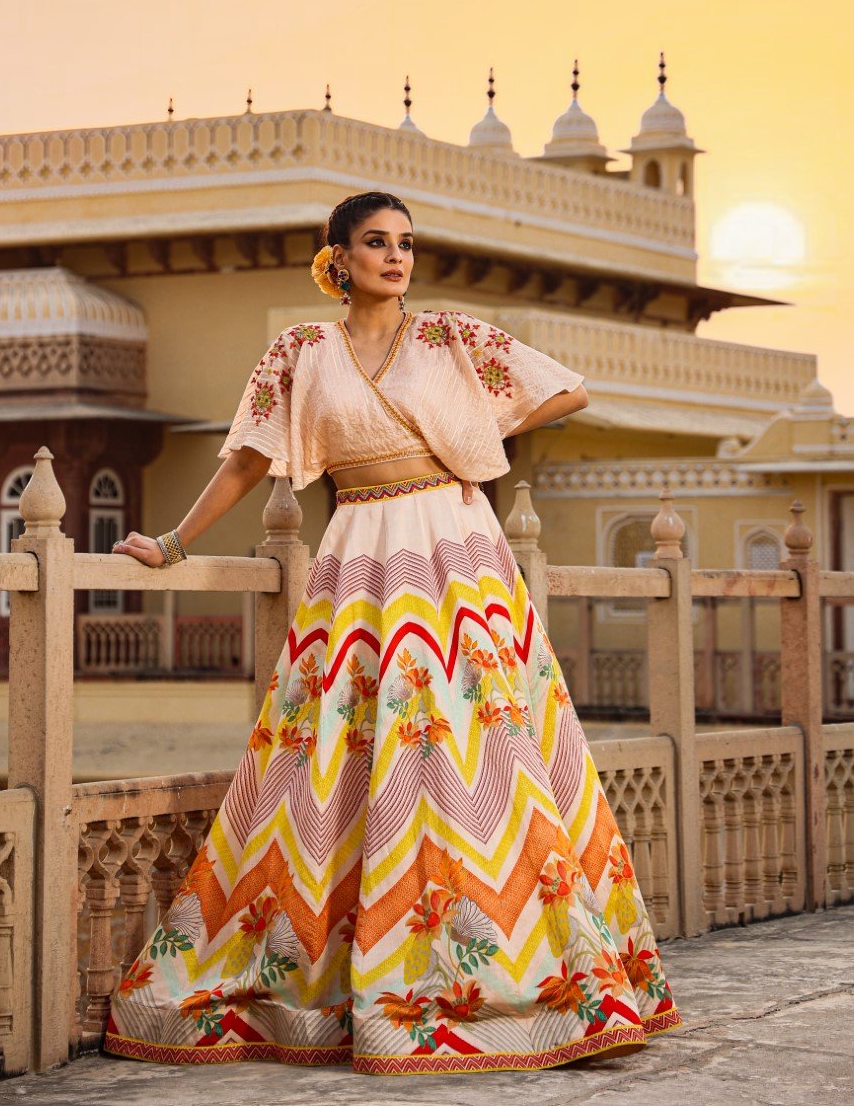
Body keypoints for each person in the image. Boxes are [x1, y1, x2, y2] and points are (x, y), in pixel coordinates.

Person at [103, 190, 680, 1076]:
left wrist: (472, 433)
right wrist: (175, 543)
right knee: (339, 751)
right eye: (377, 243)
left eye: (407, 243)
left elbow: (570, 388)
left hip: (458, 545)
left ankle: (533, 979)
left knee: (478, 750)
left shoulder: (450, 336)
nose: (396, 257)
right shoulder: (300, 352)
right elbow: (249, 455)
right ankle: (345, 975)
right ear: (337, 258)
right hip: (359, 549)